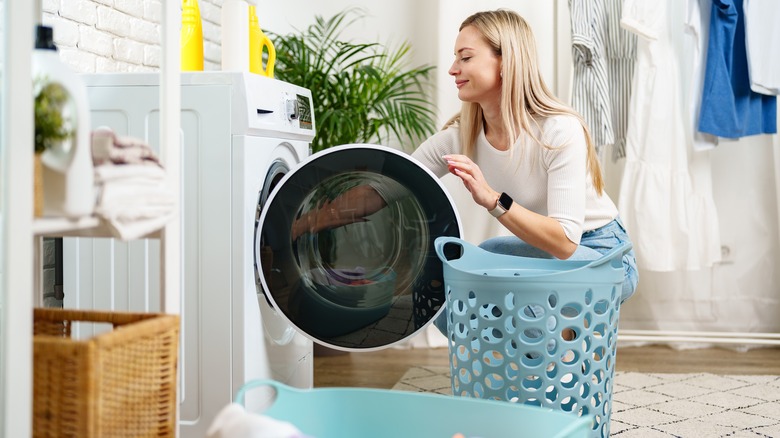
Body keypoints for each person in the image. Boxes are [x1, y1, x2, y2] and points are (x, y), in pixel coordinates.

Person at [292, 9, 638, 335]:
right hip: (545, 251)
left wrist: (493, 200)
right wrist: (300, 224)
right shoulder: (461, 136)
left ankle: (555, 377)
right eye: (456, 57)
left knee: (520, 303)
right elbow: (383, 190)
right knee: (454, 288)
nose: (453, 69)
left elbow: (564, 242)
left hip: (605, 257)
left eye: (466, 57)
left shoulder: (557, 131)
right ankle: (525, 366)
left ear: (505, 61)